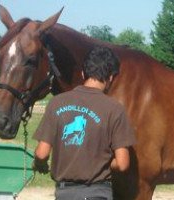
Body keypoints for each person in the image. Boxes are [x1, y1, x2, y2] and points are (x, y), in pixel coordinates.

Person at [33, 46, 136, 200]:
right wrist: (102, 164)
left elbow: (41, 153)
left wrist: (39, 164)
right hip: (98, 193)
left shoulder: (57, 103)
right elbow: (122, 163)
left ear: (83, 73)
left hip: (64, 193)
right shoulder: (115, 109)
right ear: (111, 78)